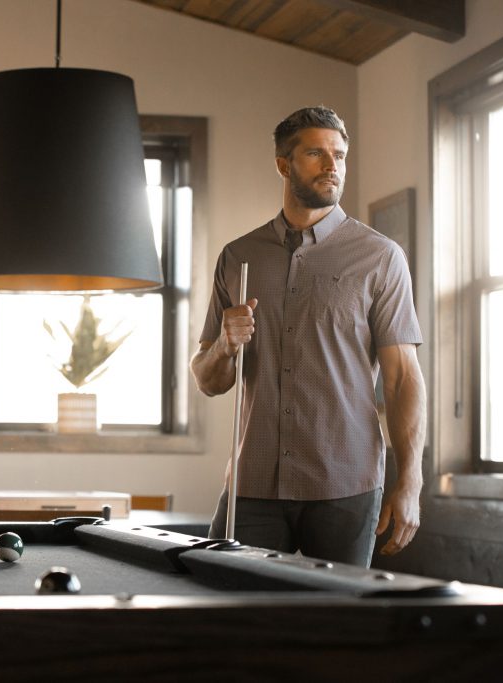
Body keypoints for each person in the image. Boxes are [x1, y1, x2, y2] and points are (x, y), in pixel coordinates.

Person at [190, 105, 426, 568]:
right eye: (316, 153)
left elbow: (401, 379)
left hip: (346, 486)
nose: (332, 165)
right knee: (223, 613)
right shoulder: (238, 257)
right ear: (284, 164)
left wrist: (410, 481)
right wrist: (224, 344)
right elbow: (209, 380)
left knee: (334, 631)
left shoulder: (381, 258)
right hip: (253, 485)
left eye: (339, 154)